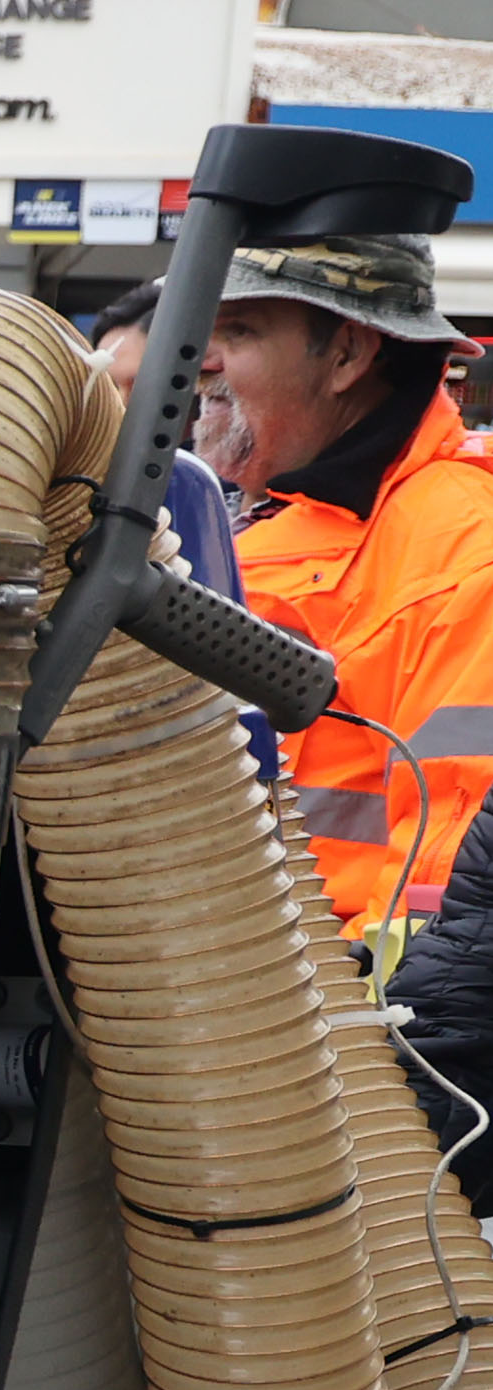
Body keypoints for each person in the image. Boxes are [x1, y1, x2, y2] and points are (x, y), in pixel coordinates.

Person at [203, 235, 493, 928]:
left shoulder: (460, 550)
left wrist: (360, 1024)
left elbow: (448, 878)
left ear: (348, 355)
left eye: (238, 331)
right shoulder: (275, 519)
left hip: (320, 1016)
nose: (200, 359)